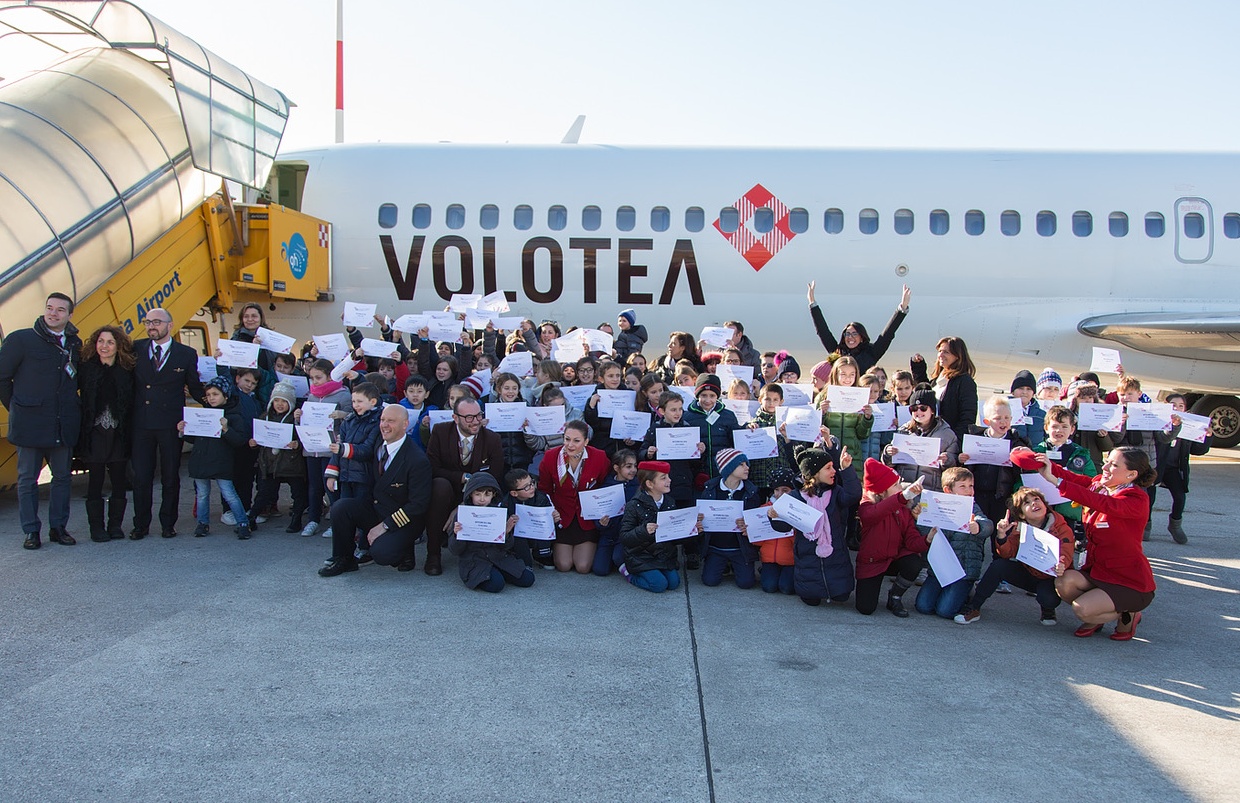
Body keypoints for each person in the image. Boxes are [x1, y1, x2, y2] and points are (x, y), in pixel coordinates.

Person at [1026, 446, 1157, 640]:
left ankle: (1127, 613)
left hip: (1128, 580)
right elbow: (1073, 479)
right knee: (1064, 582)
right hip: (1098, 571)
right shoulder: (1101, 484)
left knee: (1082, 609)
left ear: (1131, 474)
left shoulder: (1136, 500)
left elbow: (1099, 502)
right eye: (1106, 461)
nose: (1105, 468)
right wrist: (1044, 464)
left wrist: (1056, 482)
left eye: (1114, 465)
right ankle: (1098, 614)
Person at [0, 292, 83, 549]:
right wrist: (17, 407)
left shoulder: (75, 344)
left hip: (62, 424)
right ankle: (31, 532)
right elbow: (2, 378)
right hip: (30, 424)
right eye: (49, 308)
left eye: (60, 310)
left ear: (69, 315)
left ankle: (58, 528)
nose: (53, 313)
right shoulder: (21, 340)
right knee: (27, 480)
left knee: (62, 478)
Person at [319, 405, 434, 576]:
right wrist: (333, 471)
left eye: (391, 421)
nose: (384, 425)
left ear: (405, 424)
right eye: (382, 420)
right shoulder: (378, 442)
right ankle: (344, 559)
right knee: (341, 508)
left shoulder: (417, 459)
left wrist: (385, 526)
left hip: (404, 519)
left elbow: (418, 505)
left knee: (381, 554)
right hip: (378, 507)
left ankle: (405, 551)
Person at [129, 308, 206, 539]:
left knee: (170, 476)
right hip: (142, 423)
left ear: (170, 325)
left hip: (171, 423)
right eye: (147, 322)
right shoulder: (135, 349)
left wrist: (215, 404)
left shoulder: (186, 354)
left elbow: (194, 386)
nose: (151, 326)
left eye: (156, 322)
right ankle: (141, 525)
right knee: (141, 477)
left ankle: (168, 524)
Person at [955, 486, 1074, 626]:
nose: (1034, 503)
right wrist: (1001, 535)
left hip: (1050, 577)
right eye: (1027, 502)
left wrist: (1061, 565)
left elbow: (1066, 552)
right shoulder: (1020, 528)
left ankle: (1048, 609)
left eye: (1037, 499)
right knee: (998, 566)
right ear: (1022, 514)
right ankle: (974, 606)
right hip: (1029, 572)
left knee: (1048, 599)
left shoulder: (1060, 526)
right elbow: (1007, 553)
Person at [425, 397, 506, 576]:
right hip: (447, 490)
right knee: (439, 486)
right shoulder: (440, 432)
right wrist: (461, 477)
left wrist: (463, 505)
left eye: (478, 415)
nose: (476, 421)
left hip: (477, 494)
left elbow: (495, 476)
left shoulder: (492, 439)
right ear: (455, 418)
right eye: (469, 417)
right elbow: (432, 468)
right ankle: (433, 554)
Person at [775, 445, 861, 607]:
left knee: (842, 595)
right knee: (810, 596)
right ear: (814, 473)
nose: (834, 471)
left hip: (835, 550)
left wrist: (847, 469)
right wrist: (773, 516)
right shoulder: (795, 496)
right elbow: (783, 527)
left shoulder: (836, 492)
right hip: (807, 553)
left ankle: (836, 590)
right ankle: (812, 592)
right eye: (828, 468)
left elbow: (853, 495)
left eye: (833, 466)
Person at [76, 325, 136, 542]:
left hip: (119, 434)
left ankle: (115, 526)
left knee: (119, 481)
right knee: (95, 482)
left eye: (110, 342)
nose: (104, 346)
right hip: (94, 433)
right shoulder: (86, 369)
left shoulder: (127, 370)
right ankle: (96, 528)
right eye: (101, 341)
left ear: (118, 345)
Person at [913, 468, 993, 620]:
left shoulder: (973, 508)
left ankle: (967, 592)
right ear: (948, 490)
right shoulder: (937, 506)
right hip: (940, 569)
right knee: (923, 606)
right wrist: (919, 519)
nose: (969, 490)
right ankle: (952, 593)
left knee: (945, 611)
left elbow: (987, 525)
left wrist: (978, 527)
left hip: (964, 571)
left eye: (971, 486)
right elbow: (929, 535)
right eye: (963, 486)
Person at [179, 377, 252, 539]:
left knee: (229, 494)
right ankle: (202, 523)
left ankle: (242, 523)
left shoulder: (234, 416)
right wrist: (183, 431)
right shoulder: (202, 414)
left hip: (221, 461)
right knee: (202, 494)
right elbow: (194, 439)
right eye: (208, 395)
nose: (211, 398)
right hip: (201, 460)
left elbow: (239, 440)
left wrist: (226, 429)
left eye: (215, 394)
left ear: (225, 396)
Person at [855, 459, 928, 617]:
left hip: (894, 558)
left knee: (913, 563)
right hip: (873, 562)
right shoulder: (866, 506)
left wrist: (928, 539)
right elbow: (874, 514)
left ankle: (895, 596)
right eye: (895, 485)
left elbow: (912, 542)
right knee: (865, 608)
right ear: (881, 491)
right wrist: (902, 497)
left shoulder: (904, 508)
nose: (900, 488)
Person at [537, 420, 611, 573]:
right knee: (564, 565)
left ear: (586, 441)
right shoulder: (551, 456)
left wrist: (602, 509)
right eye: (567, 439)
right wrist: (551, 510)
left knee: (583, 567)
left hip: (587, 517)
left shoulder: (599, 456)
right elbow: (544, 489)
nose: (570, 445)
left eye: (576, 441)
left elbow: (605, 485)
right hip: (563, 516)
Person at [448, 474, 537, 593]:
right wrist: (456, 534)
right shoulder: (463, 515)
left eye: (487, 494)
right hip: (475, 560)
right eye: (477, 494)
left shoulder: (498, 513)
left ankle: (498, 571)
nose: (482, 499)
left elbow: (507, 547)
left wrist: (506, 533)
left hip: (499, 557)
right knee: (497, 585)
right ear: (470, 494)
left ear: (493, 495)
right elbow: (455, 550)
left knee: (528, 579)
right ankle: (493, 574)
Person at [294, 358, 353, 538]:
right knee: (314, 486)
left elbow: (354, 417)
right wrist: (298, 417)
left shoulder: (343, 395)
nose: (315, 382)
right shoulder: (312, 396)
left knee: (332, 486)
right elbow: (306, 422)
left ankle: (337, 521)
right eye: (312, 378)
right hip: (312, 448)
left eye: (318, 377)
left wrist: (343, 414)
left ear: (330, 376)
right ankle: (313, 519)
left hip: (331, 448)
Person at [619, 461, 694, 593]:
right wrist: (643, 531)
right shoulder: (634, 505)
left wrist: (691, 530)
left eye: (668, 476)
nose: (669, 480)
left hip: (663, 555)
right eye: (663, 478)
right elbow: (625, 537)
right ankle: (629, 574)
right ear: (649, 484)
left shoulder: (669, 502)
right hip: (640, 556)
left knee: (673, 583)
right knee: (659, 585)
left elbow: (674, 537)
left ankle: (656, 572)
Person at [807, 281, 910, 374]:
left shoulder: (871, 352)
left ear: (861, 337)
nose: (850, 337)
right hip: (840, 389)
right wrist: (812, 303)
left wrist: (902, 309)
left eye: (854, 334)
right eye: (847, 334)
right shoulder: (837, 352)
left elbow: (887, 335)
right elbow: (823, 331)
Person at [249, 382, 308, 534]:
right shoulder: (265, 417)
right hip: (270, 464)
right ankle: (251, 518)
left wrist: (297, 444)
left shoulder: (296, 418)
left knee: (298, 493)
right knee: (264, 493)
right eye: (276, 400)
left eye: (284, 401)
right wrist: (254, 443)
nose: (280, 404)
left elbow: (305, 437)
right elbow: (259, 439)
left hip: (292, 463)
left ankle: (296, 519)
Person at [698, 449, 762, 589]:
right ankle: (722, 564)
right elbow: (701, 519)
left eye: (747, 464)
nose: (747, 467)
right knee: (710, 581)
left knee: (746, 583)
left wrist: (748, 525)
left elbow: (756, 521)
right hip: (716, 547)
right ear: (728, 468)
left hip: (740, 548)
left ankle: (734, 565)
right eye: (742, 464)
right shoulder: (710, 490)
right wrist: (699, 521)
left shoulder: (751, 492)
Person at [881, 386, 959, 492]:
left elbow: (953, 469)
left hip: (931, 489)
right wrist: (888, 453)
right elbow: (889, 464)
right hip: (905, 488)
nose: (918, 411)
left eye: (923, 408)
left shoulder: (947, 435)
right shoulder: (904, 431)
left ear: (932, 410)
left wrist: (947, 460)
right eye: (914, 408)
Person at [1159, 393, 1212, 544]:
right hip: (1156, 465)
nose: (1177, 408)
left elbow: (1198, 450)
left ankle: (1175, 524)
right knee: (1149, 497)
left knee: (1180, 497)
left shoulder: (1188, 426)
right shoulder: (1157, 422)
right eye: (1173, 405)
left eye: (1180, 406)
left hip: (1174, 469)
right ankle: (1146, 525)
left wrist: (1208, 436)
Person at [911, 336, 977, 444]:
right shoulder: (938, 380)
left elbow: (967, 418)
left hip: (948, 442)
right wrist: (919, 368)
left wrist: (955, 442)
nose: (941, 355)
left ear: (958, 356)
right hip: (930, 439)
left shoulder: (964, 382)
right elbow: (924, 396)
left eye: (946, 352)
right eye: (940, 351)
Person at [591, 449, 639, 576]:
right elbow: (597, 513)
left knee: (618, 557)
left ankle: (620, 559)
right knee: (600, 570)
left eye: (635, 466)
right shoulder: (606, 487)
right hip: (608, 535)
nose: (633, 470)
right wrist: (601, 523)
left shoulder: (638, 487)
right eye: (628, 466)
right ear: (616, 468)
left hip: (626, 536)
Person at [683, 374, 738, 478]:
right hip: (697, 472)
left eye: (712, 396)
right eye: (704, 395)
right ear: (697, 396)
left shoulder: (728, 416)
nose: (708, 400)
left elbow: (736, 441)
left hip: (722, 470)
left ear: (717, 396)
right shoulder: (687, 417)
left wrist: (748, 427)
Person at [756, 467, 800, 594]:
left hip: (790, 560)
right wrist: (751, 533)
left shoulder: (797, 510)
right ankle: (766, 571)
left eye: (785, 490)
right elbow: (757, 542)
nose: (780, 494)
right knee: (769, 587)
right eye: (776, 490)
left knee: (787, 588)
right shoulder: (763, 509)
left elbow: (799, 541)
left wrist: (791, 527)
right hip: (769, 558)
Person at [504, 468, 559, 570]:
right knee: (518, 536)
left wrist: (555, 520)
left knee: (545, 527)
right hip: (519, 536)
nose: (532, 487)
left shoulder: (542, 497)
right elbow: (502, 528)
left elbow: (552, 520)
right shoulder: (506, 503)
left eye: (532, 483)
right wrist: (509, 523)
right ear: (514, 493)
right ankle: (522, 560)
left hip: (538, 531)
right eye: (526, 487)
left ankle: (542, 555)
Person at [1009, 370, 1046, 443]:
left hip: (1035, 450)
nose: (1024, 392)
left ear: (1033, 393)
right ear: (1013, 392)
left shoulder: (1042, 415)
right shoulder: (1004, 411)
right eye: (1021, 388)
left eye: (1029, 389)